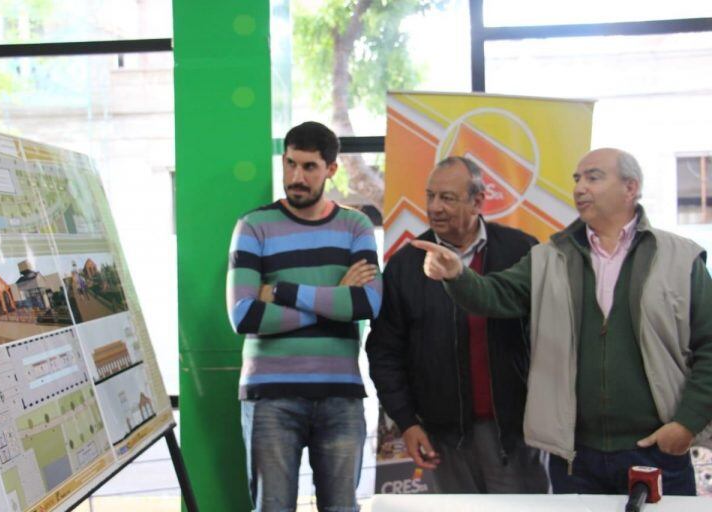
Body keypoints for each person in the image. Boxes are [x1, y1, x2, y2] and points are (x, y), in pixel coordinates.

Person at [413, 148, 712, 495]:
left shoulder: (681, 257)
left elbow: (709, 347)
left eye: (593, 177)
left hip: (657, 451)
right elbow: (495, 294)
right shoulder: (549, 256)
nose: (580, 187)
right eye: (577, 179)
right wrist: (456, 274)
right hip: (575, 458)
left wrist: (686, 425)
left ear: (630, 188)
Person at [366, 156, 548, 493]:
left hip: (516, 434)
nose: (434, 207)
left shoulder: (521, 251)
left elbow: (551, 337)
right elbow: (384, 351)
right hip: (443, 438)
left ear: (478, 201)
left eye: (447, 198)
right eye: (430, 196)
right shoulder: (406, 265)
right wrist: (406, 421)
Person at [226, 121, 381, 511]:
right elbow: (244, 316)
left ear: (331, 168)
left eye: (309, 167)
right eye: (290, 164)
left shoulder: (356, 225)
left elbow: (367, 305)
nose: (296, 177)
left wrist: (281, 292)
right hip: (270, 398)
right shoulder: (253, 226)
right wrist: (334, 303)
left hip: (340, 396)